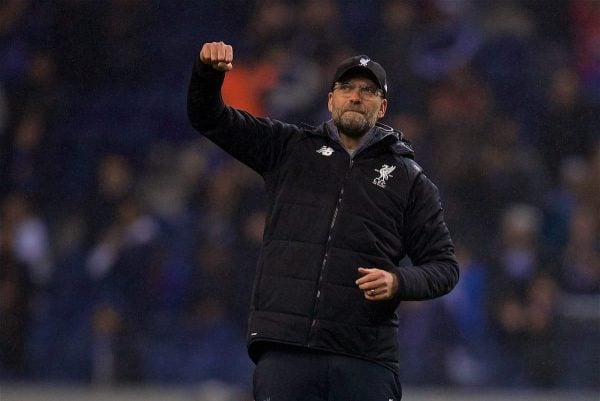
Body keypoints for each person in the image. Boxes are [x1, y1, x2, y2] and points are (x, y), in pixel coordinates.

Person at [187, 41, 459, 401]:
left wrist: (398, 280)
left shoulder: (409, 180)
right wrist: (207, 74)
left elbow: (444, 267)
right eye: (346, 88)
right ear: (331, 100)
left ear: (383, 107)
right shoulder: (289, 148)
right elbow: (209, 117)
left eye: (368, 90)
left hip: (365, 356)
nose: (356, 96)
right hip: (287, 350)